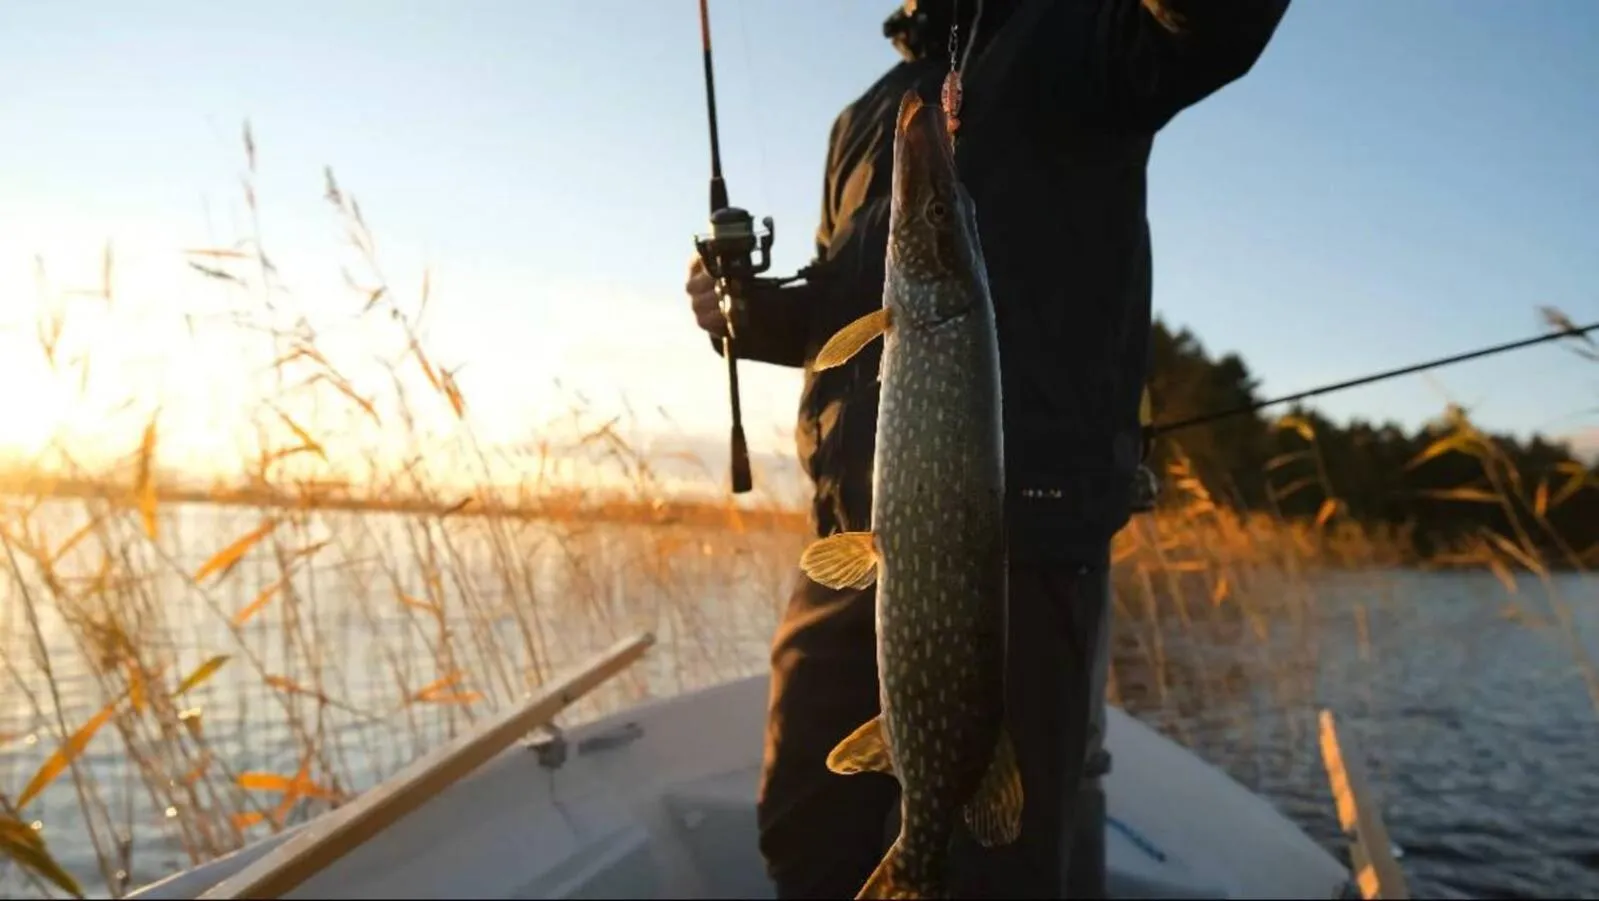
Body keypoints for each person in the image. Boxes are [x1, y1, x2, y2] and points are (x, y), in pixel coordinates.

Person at [685, 0, 1290, 896]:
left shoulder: (1083, 31)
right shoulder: (864, 117)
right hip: (857, 534)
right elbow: (844, 301)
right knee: (805, 832)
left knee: (989, 873)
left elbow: (1206, 27)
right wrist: (748, 315)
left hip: (1023, 548)